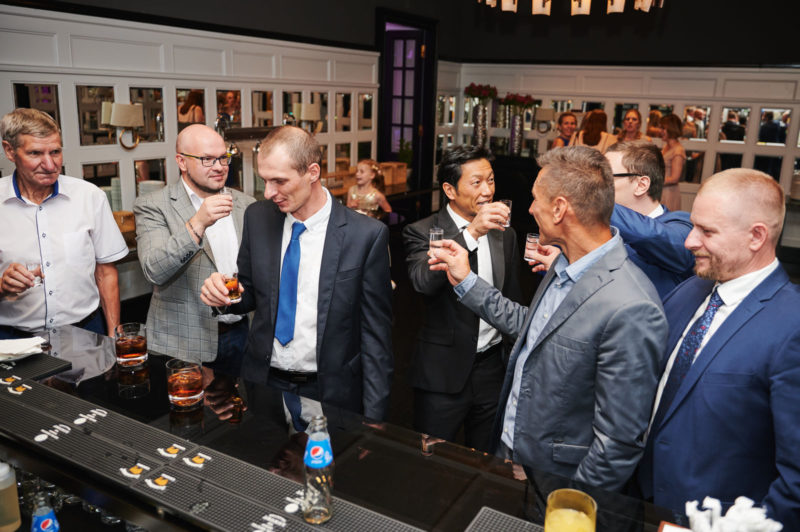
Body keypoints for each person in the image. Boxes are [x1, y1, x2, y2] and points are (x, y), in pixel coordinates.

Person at [429, 146, 666, 490]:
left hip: (555, 483)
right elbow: (533, 329)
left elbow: (617, 444)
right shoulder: (564, 264)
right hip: (513, 458)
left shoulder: (632, 306)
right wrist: (466, 281)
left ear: (559, 209)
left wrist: (568, 506)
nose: (529, 209)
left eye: (535, 198)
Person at [638, 169, 800, 530]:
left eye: (707, 231)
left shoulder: (793, 326)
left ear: (756, 236)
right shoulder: (689, 291)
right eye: (693, 226)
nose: (689, 241)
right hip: (643, 501)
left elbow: (796, 479)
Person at [200, 125, 393, 420]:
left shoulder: (366, 235)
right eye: (265, 180)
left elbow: (376, 336)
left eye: (279, 181)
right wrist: (225, 294)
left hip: (331, 390)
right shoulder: (258, 217)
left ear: (312, 172)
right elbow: (249, 292)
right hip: (263, 383)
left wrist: (375, 418)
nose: (269, 192)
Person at [402, 145, 522, 452]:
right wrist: (471, 233)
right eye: (476, 182)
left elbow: (511, 297)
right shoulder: (423, 231)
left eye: (491, 180)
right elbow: (423, 283)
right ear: (449, 190)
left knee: (486, 459)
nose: (488, 191)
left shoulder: (505, 234)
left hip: (493, 369)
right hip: (443, 372)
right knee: (432, 457)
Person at [133, 124, 255, 375]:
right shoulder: (153, 205)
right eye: (207, 159)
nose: (219, 167)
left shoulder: (246, 204)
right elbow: (154, 270)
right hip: (182, 345)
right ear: (182, 162)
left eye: (223, 157)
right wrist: (198, 223)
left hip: (242, 335)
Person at [0, 108, 128, 339]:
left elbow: (105, 272)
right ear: (10, 151)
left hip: (86, 331)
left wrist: (113, 337)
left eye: (55, 152)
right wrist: (2, 285)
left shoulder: (89, 196)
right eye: (35, 153)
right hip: (13, 340)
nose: (50, 165)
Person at [607, 141, 694, 298]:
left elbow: (650, 235)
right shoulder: (604, 227)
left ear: (641, 185)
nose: (597, 185)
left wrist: (591, 200)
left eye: (606, 177)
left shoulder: (680, 226)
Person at [659, 113, 686, 212]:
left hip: (669, 193)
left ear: (671, 129)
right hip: (661, 191)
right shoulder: (666, 147)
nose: (660, 131)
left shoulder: (678, 150)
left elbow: (675, 178)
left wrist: (654, 181)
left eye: (663, 128)